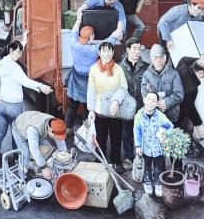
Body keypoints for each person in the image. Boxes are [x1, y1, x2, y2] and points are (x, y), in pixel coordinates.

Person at [0, 39, 53, 162]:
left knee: (0, 132)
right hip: (14, 106)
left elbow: (16, 47)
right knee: (17, 132)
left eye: (20, 53)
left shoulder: (2, 62)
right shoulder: (14, 67)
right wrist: (41, 86)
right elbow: (25, 81)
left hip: (2, 104)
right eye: (18, 52)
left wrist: (24, 40)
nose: (19, 56)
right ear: (11, 50)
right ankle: (17, 156)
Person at [64, 21, 121, 130]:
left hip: (76, 79)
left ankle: (68, 128)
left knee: (73, 105)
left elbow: (74, 32)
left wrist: (78, 19)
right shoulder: (94, 49)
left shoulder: (74, 45)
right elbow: (109, 41)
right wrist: (118, 29)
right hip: (88, 80)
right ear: (91, 37)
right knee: (88, 108)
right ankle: (87, 131)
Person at [87, 40, 129, 171]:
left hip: (115, 110)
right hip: (100, 110)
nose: (106, 53)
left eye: (109, 50)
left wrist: (116, 101)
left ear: (113, 52)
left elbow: (123, 87)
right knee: (100, 138)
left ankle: (116, 161)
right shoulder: (94, 69)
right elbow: (91, 90)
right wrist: (91, 110)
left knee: (116, 138)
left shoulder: (119, 69)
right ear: (99, 53)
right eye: (103, 51)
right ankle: (101, 161)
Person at [134, 90, 174, 197]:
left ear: (157, 103)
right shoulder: (139, 115)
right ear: (144, 100)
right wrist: (138, 146)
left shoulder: (160, 116)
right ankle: (147, 182)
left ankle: (158, 183)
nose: (150, 102)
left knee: (158, 167)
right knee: (146, 166)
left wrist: (165, 136)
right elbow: (137, 131)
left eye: (153, 100)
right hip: (145, 148)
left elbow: (170, 126)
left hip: (158, 148)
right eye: (148, 99)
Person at [119, 38, 149, 170]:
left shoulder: (146, 67)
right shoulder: (120, 68)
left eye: (139, 48)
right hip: (127, 107)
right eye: (134, 48)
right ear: (127, 50)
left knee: (143, 132)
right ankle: (128, 158)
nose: (137, 52)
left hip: (143, 106)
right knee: (127, 133)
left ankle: (144, 157)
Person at [11, 112, 67, 180]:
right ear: (50, 130)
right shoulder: (33, 130)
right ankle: (22, 176)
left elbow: (61, 141)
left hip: (33, 125)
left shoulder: (55, 124)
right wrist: (44, 168)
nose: (57, 138)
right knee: (26, 155)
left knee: (50, 150)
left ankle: (44, 168)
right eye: (56, 136)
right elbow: (34, 149)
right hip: (19, 129)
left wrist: (65, 156)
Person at [141, 43, 184, 124]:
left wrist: (166, 102)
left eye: (161, 57)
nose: (158, 60)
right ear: (151, 59)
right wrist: (155, 103)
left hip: (171, 116)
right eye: (155, 57)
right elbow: (144, 93)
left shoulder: (174, 73)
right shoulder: (146, 74)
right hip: (153, 115)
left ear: (165, 58)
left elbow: (179, 94)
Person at [175, 56, 204, 138]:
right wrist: (198, 124)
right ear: (201, 72)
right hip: (176, 111)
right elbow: (190, 107)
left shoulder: (183, 66)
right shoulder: (192, 88)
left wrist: (198, 60)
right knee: (180, 129)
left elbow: (184, 59)